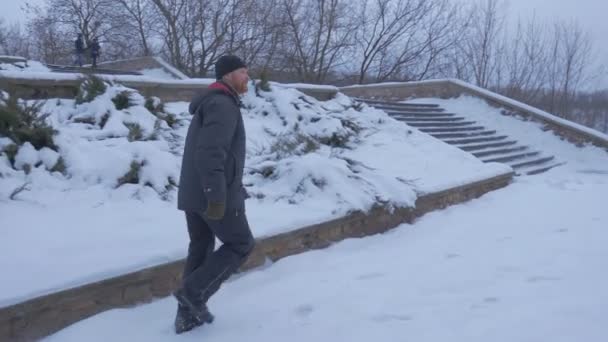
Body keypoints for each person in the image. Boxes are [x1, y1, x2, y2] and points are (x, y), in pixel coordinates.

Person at [173, 55, 255, 334]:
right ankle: (193, 293)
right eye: (243, 72)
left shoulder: (212, 101)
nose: (247, 77)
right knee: (241, 244)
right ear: (228, 75)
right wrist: (217, 197)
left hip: (194, 194)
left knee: (201, 247)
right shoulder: (223, 104)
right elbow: (210, 154)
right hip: (213, 195)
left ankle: (186, 317)